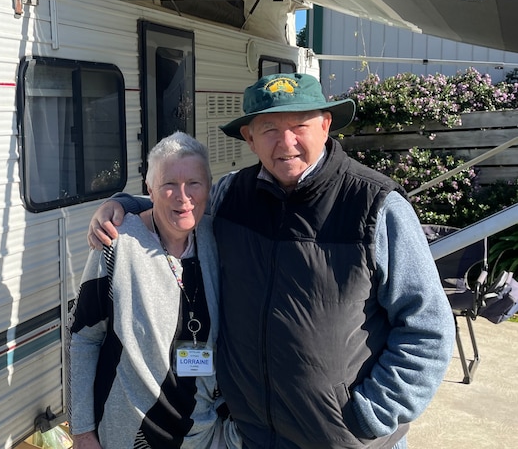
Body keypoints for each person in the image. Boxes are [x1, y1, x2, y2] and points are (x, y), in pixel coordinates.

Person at [87, 73, 455, 449]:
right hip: (251, 438)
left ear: (326, 126)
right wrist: (124, 206)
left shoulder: (375, 205)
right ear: (249, 137)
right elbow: (180, 205)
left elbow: (429, 328)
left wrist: (371, 414)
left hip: (342, 440)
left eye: (300, 125)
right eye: (269, 129)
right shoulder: (232, 195)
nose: (286, 143)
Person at [69, 132, 225, 449]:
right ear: (150, 189)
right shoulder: (116, 243)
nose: (183, 196)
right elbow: (84, 337)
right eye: (169, 184)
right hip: (133, 434)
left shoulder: (215, 236)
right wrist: (83, 431)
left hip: (203, 432)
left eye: (194, 183)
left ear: (209, 187)